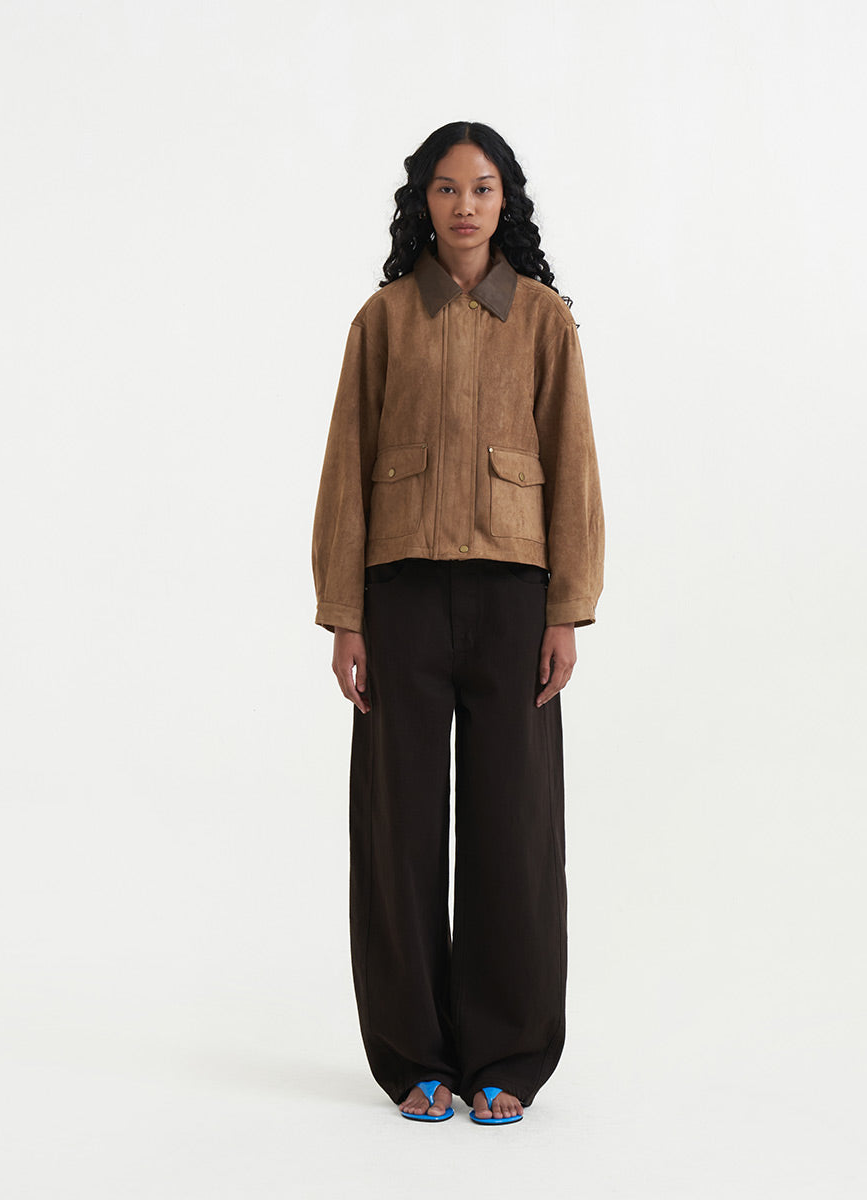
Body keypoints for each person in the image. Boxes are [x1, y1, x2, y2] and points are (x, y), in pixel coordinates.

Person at [311, 121, 604, 1124]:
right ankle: (414, 1058)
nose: (465, 205)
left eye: (482, 188)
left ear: (505, 199)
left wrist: (567, 609)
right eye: (446, 188)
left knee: (512, 828)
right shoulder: (384, 320)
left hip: (514, 602)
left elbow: (573, 464)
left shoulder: (545, 320)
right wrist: (344, 616)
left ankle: (507, 1056)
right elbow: (345, 467)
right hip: (396, 597)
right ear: (423, 203)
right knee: (397, 829)